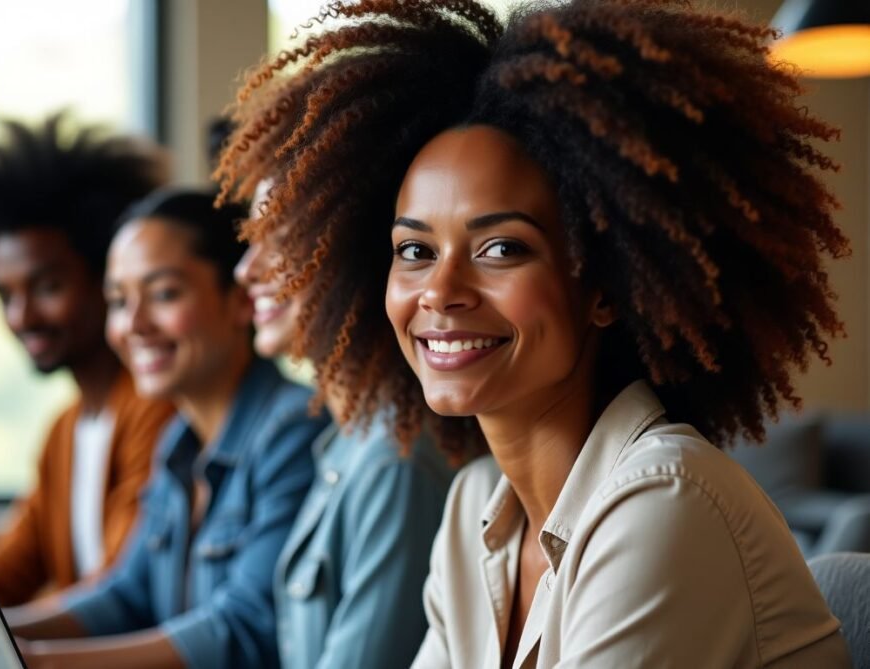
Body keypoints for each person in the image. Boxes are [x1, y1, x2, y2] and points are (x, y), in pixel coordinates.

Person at [216, 0, 852, 666]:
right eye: (414, 250)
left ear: (602, 287)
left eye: (500, 249)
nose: (439, 290)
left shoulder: (666, 500)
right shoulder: (473, 517)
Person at [13, 189, 329, 669]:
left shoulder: (293, 430)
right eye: (119, 301)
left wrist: (42, 664)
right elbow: (125, 595)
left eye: (163, 294)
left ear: (240, 299)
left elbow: (244, 628)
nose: (134, 324)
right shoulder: (177, 442)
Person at [0, 113, 176, 607]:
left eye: (48, 287)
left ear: (109, 278)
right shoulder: (64, 431)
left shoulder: (155, 411)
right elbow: (10, 568)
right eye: (5, 294)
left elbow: (114, 594)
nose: (22, 317)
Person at [232, 176, 457, 669]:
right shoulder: (347, 441)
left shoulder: (390, 465)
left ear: (356, 253)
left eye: (282, 240)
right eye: (251, 242)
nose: (247, 269)